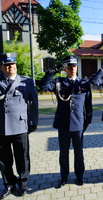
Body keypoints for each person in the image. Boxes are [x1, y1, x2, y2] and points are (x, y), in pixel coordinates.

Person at [38, 55, 92, 188]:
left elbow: (89, 106)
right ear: (65, 70)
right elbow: (43, 85)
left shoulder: (84, 83)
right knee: (64, 152)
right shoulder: (59, 82)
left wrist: (86, 122)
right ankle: (63, 177)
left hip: (78, 124)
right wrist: (52, 71)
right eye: (69, 67)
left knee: (79, 152)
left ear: (77, 67)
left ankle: (79, 176)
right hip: (63, 124)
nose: (72, 69)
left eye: (74, 66)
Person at [0, 53, 38, 198]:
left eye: (13, 64)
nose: (11, 67)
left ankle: (23, 183)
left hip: (20, 126)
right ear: (1, 67)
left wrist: (33, 122)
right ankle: (9, 184)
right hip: (2, 126)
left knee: (22, 157)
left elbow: (34, 103)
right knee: (4, 160)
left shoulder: (27, 81)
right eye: (7, 65)